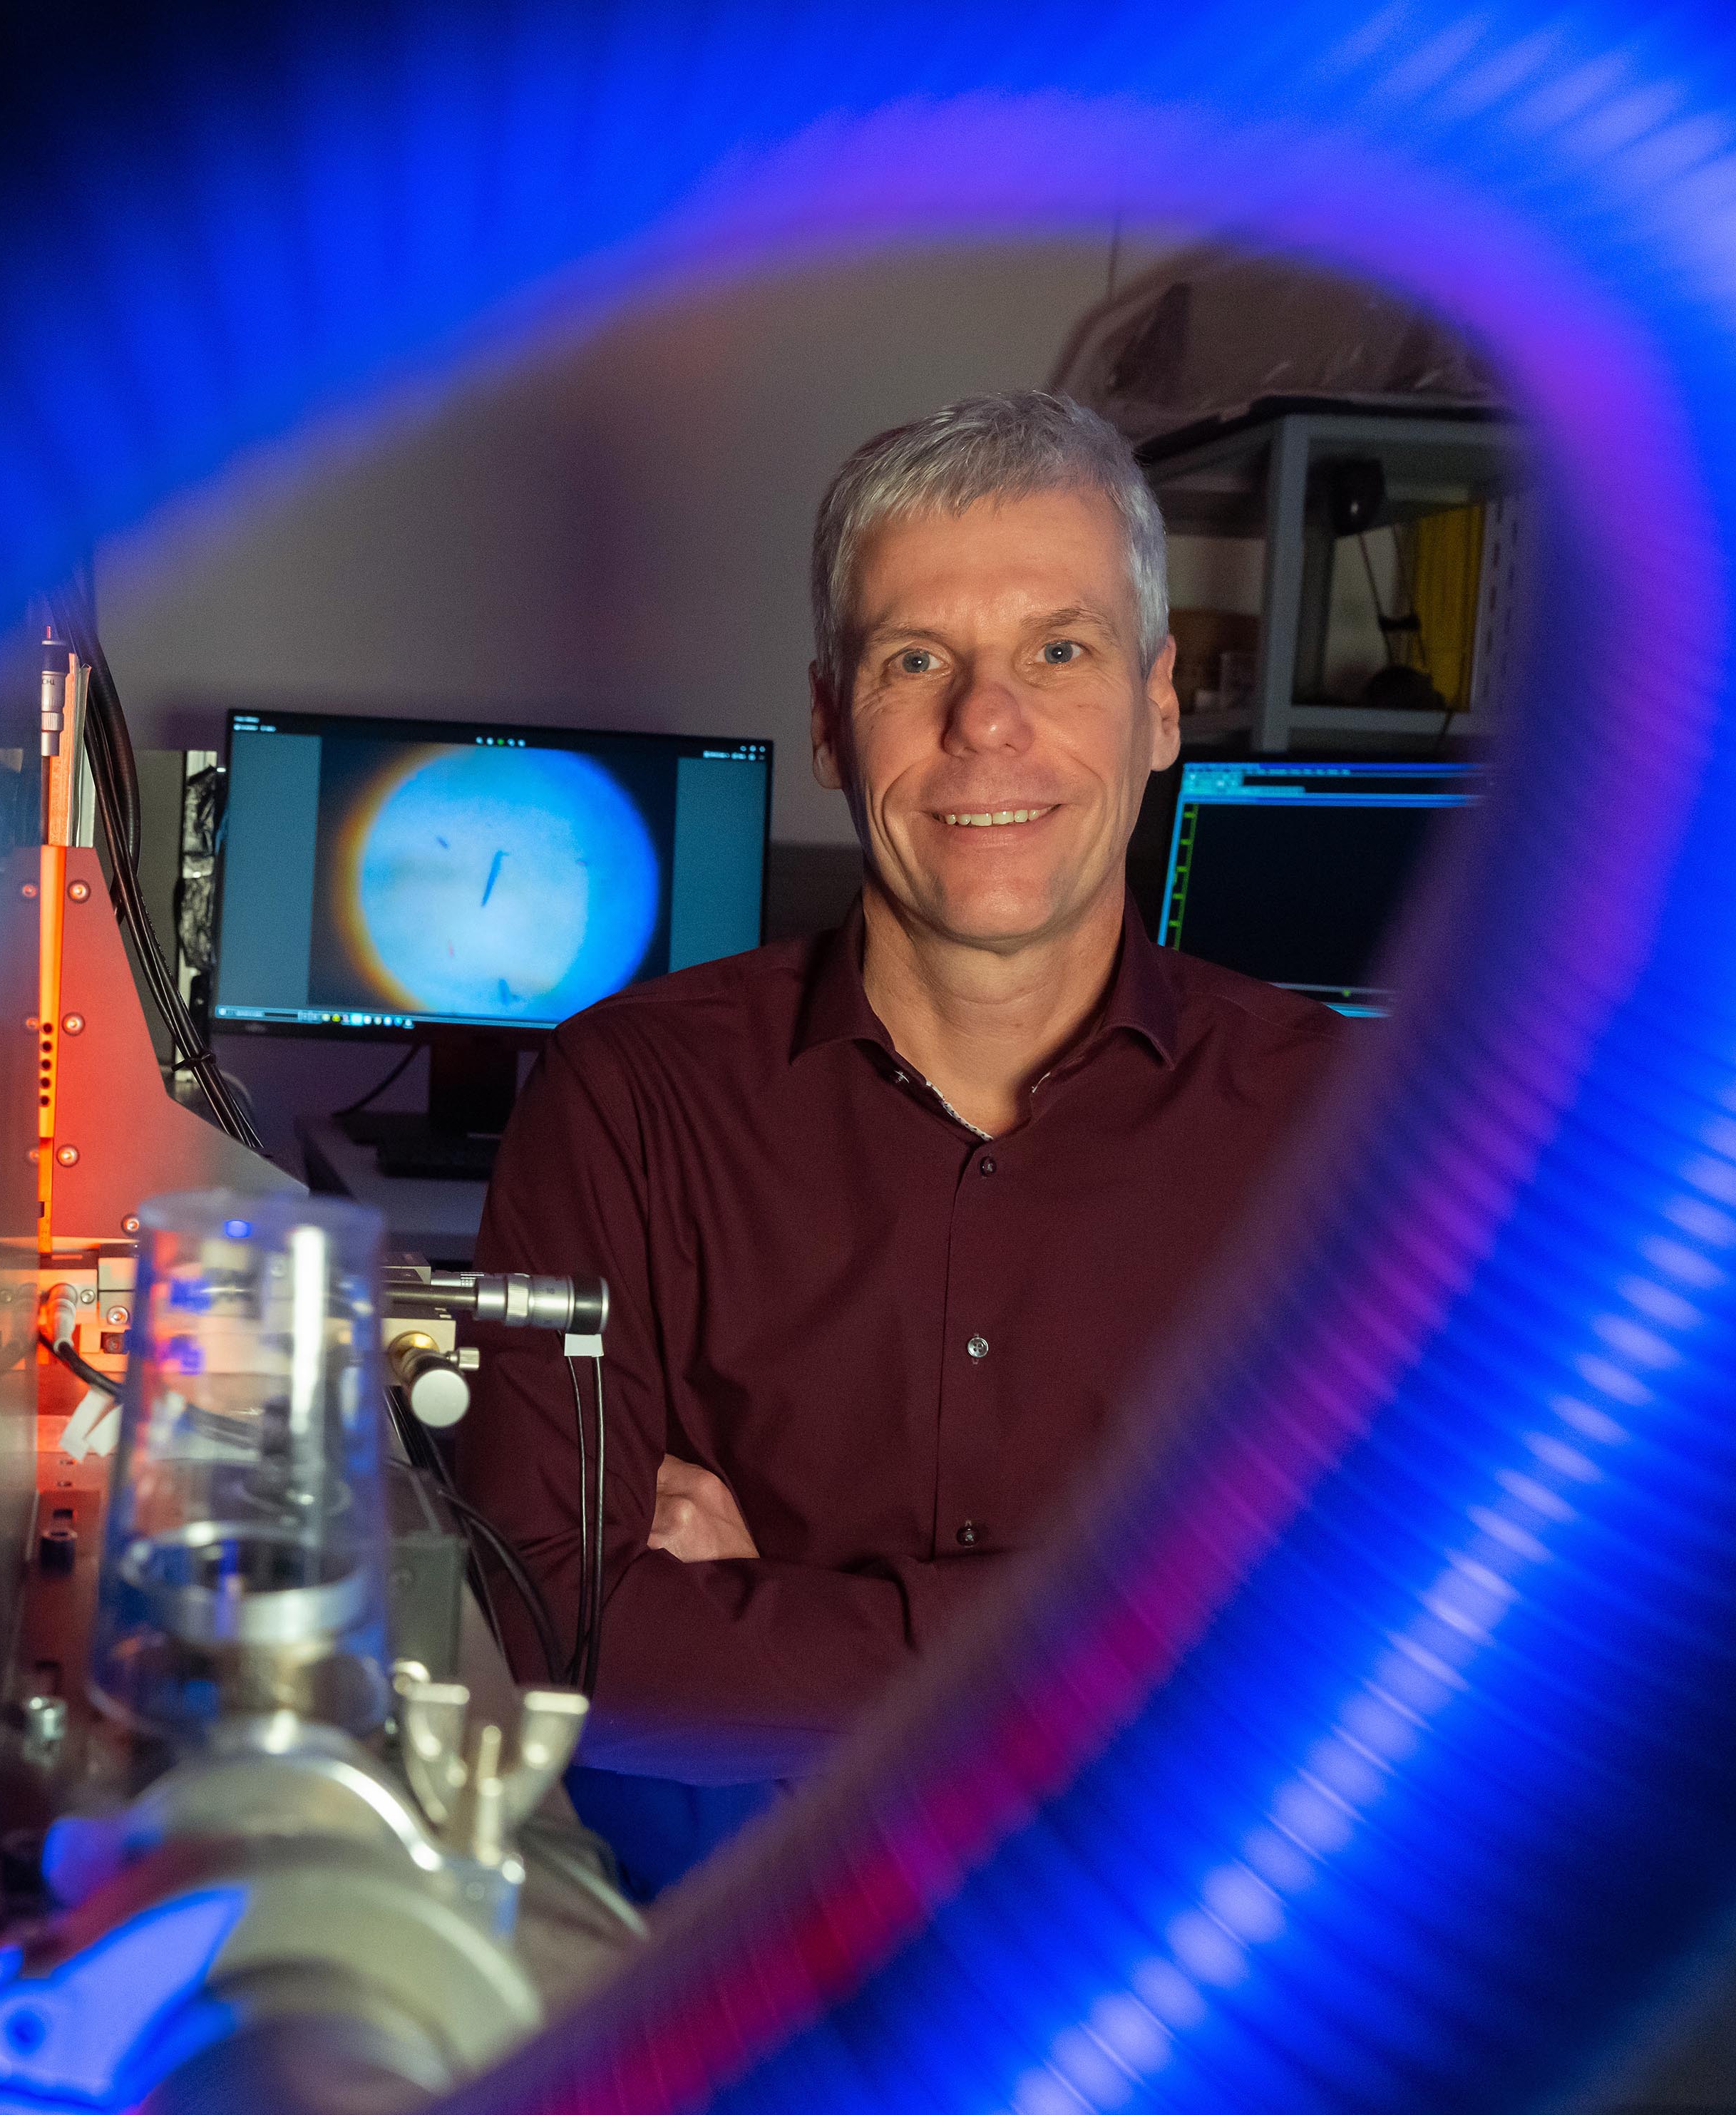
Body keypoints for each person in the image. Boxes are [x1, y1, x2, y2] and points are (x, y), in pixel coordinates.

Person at [453, 390, 1347, 1898]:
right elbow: (556, 1645)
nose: (985, 721)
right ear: (828, 722)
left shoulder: (1347, 1126)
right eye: (916, 659)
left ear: (1161, 706)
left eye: (1059, 651)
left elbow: (1381, 1649)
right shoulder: (629, 1099)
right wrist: (1137, 1633)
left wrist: (773, 1618)